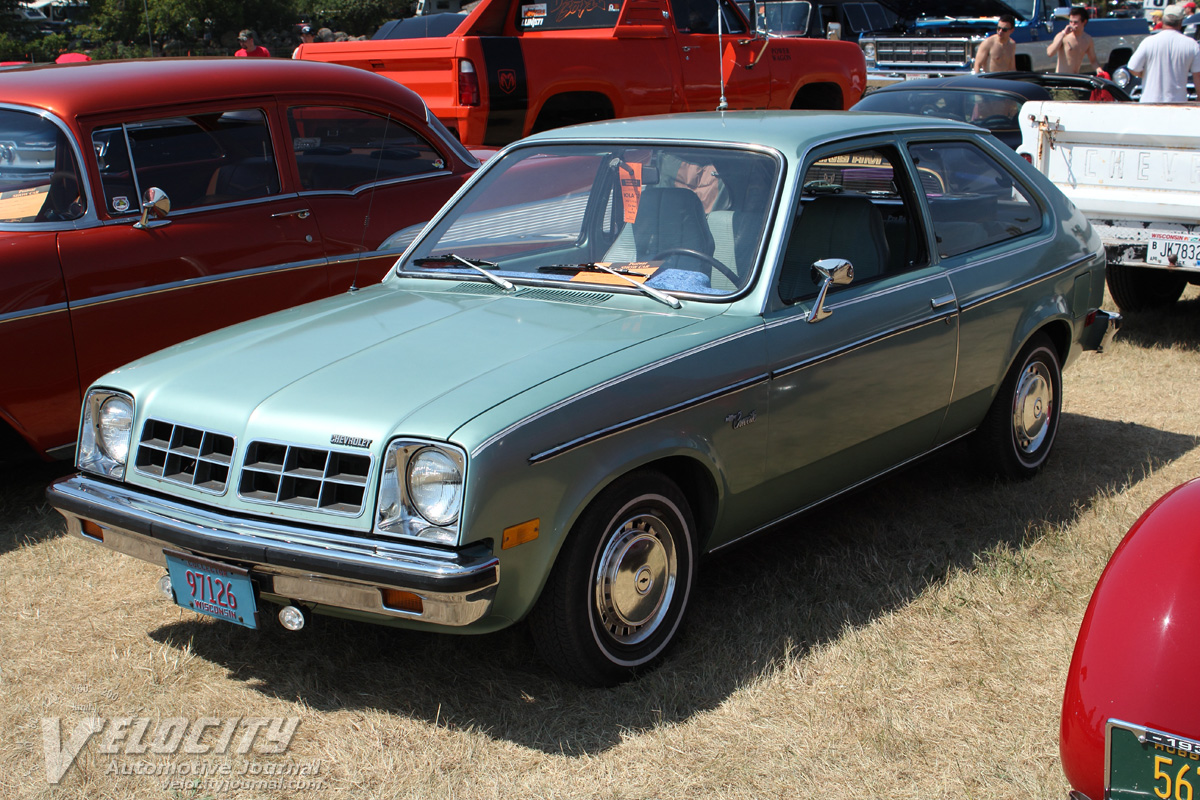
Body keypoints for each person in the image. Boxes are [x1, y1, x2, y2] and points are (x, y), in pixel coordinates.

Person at [1128, 4, 1200, 102]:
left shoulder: (1149, 41)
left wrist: (1146, 74)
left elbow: (1133, 67)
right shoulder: (1192, 44)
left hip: (1149, 102)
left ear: (1163, 21)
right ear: (1181, 22)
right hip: (1178, 103)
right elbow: (1198, 76)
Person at [1048, 7, 1101, 74]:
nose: (1072, 24)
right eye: (1070, 21)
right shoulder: (1063, 36)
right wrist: (1063, 34)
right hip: (1061, 78)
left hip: (1075, 78)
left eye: (1075, 22)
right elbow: (1050, 53)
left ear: (1084, 22)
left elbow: (1093, 60)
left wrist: (1099, 70)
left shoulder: (1087, 39)